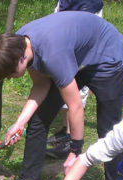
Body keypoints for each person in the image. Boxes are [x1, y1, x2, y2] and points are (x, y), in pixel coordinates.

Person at [0, 11, 123, 180]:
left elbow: (75, 107)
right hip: (77, 58)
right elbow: (41, 86)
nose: (8, 78)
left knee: (109, 128)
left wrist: (75, 152)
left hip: (108, 56)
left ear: (20, 58)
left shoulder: (52, 55)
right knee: (38, 120)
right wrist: (19, 123)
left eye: (8, 73)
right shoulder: (21, 44)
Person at [46, 0, 104, 158]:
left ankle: (71, 141)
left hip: (86, 11)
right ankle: (66, 130)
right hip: (66, 8)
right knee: (62, 69)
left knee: (75, 73)